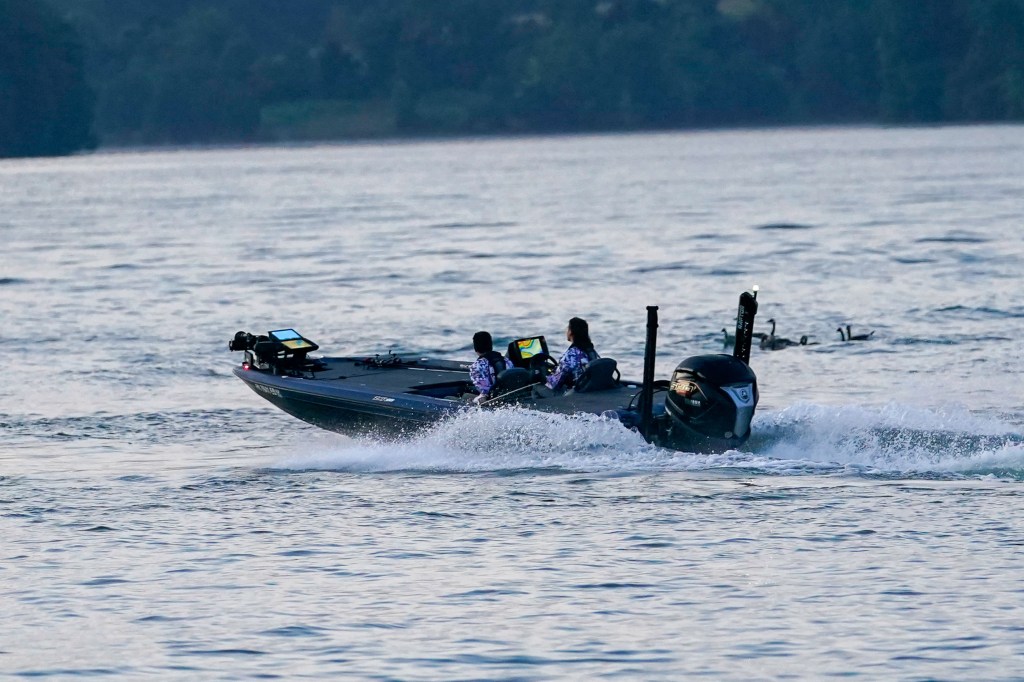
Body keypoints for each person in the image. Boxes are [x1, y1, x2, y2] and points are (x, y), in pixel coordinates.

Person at [547, 317, 598, 391]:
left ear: (571, 332)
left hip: (576, 392)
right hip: (590, 388)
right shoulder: (591, 351)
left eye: (568, 329)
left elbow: (554, 383)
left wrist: (543, 377)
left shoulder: (571, 354)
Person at [469, 331, 511, 403]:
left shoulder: (476, 366)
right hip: (508, 395)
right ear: (491, 345)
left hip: (492, 400)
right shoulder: (506, 361)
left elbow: (484, 391)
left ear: (475, 347)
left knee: (464, 396)